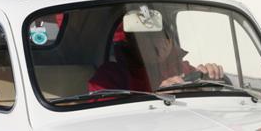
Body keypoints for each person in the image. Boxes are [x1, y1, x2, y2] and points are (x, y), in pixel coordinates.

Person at [88, 27, 222, 92]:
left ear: (170, 40)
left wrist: (209, 79)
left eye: (161, 35)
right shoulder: (110, 76)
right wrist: (158, 96)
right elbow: (105, 122)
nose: (156, 43)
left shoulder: (183, 68)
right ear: (130, 42)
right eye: (144, 36)